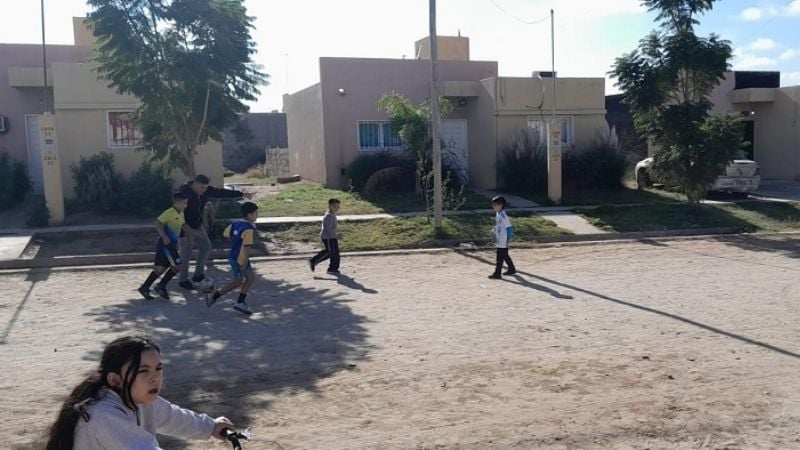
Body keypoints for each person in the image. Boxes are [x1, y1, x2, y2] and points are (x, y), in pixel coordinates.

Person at [45, 336, 234, 450]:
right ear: (115, 380)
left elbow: (173, 417)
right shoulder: (103, 415)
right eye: (143, 371)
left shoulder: (141, 400)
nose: (155, 378)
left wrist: (210, 426)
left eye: (158, 369)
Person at [177, 174, 253, 290]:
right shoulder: (183, 194)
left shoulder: (205, 191)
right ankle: (183, 280)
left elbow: (221, 192)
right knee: (186, 254)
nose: (204, 190)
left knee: (206, 247)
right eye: (202, 187)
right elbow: (176, 216)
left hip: (198, 226)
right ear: (195, 184)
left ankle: (198, 275)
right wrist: (181, 235)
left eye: (206, 188)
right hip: (185, 227)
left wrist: (241, 194)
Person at [206, 202, 260, 315]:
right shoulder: (249, 229)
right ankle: (214, 296)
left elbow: (226, 234)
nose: (257, 215)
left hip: (234, 256)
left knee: (250, 278)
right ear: (249, 215)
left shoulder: (236, 224)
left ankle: (241, 302)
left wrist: (236, 237)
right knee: (237, 282)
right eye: (256, 213)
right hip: (240, 259)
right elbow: (246, 247)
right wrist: (243, 263)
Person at [138, 192, 190, 300]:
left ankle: (145, 287)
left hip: (171, 245)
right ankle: (160, 286)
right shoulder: (169, 212)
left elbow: (181, 227)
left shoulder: (181, 213)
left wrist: (185, 236)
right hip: (165, 246)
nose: (186, 205)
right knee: (177, 266)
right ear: (177, 202)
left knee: (161, 268)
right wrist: (164, 236)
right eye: (184, 203)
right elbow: (158, 223)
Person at [308, 198, 341, 275]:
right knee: (330, 252)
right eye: (335, 206)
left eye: (338, 206)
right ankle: (313, 261)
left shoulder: (332, 214)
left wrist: (335, 235)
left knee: (335, 253)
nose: (337, 208)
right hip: (327, 237)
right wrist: (335, 235)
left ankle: (333, 269)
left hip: (332, 236)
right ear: (330, 206)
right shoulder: (328, 215)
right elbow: (327, 228)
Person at [489, 195, 516, 279]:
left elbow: (509, 228)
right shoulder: (498, 213)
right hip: (500, 238)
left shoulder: (503, 215)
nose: (493, 207)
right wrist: (495, 229)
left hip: (503, 239)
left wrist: (508, 239)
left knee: (500, 256)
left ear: (500, 205)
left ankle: (497, 273)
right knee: (504, 255)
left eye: (495, 205)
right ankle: (511, 269)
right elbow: (500, 225)